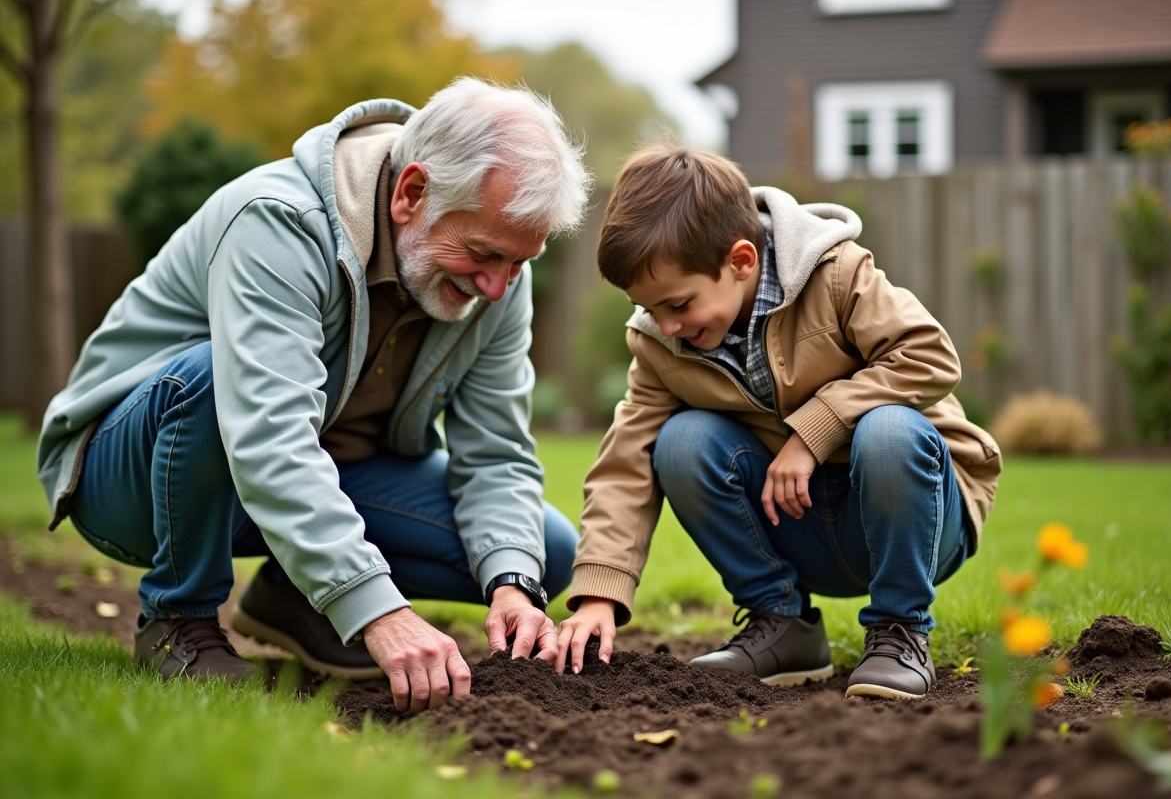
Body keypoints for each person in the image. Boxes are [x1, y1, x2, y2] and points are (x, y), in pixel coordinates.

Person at [35, 77, 592, 714]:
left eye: (521, 262)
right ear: (412, 193)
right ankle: (177, 618)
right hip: (134, 476)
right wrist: (378, 610)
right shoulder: (278, 222)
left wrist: (513, 587)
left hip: (320, 472)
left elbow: (495, 452)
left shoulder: (497, 282)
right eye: (483, 254)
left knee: (542, 552)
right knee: (217, 375)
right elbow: (267, 436)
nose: (498, 287)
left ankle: (292, 596)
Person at [555, 144, 1000, 699]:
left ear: (741, 261)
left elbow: (929, 355)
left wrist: (812, 434)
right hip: (799, 523)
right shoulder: (658, 345)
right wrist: (601, 592)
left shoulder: (837, 274)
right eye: (651, 310)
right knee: (679, 443)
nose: (666, 327)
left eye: (679, 305)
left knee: (888, 429)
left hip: (918, 519)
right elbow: (626, 463)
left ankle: (900, 629)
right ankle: (783, 624)